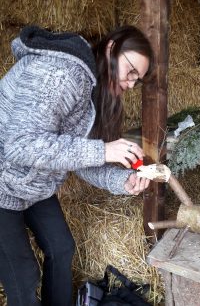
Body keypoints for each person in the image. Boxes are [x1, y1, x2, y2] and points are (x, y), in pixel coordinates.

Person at [0, 24, 154, 306]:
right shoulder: (61, 74)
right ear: (111, 49)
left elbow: (79, 159)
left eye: (138, 80)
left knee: (61, 248)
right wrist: (102, 150)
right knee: (23, 277)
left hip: (34, 183)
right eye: (131, 71)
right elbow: (20, 145)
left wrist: (122, 181)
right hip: (2, 182)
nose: (131, 84)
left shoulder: (92, 91)